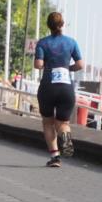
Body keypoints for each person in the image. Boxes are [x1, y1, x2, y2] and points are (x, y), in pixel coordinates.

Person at [34, 12, 84, 168]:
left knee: (48, 122)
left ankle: (55, 156)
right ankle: (66, 137)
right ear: (62, 24)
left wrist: (46, 64)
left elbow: (38, 64)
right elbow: (80, 65)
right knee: (62, 122)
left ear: (48, 25)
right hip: (65, 87)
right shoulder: (71, 42)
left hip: (48, 86)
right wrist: (68, 68)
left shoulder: (43, 43)